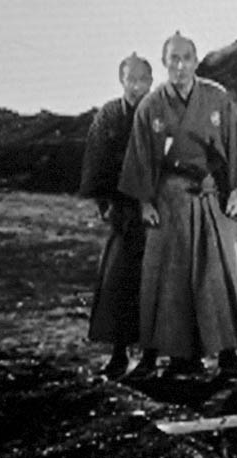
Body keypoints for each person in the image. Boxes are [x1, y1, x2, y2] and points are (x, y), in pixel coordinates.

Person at [118, 31, 237, 378]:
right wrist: (145, 203)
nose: (180, 67)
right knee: (166, 277)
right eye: (173, 59)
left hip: (210, 193)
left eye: (186, 59)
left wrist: (235, 192)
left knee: (218, 274)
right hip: (169, 198)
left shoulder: (217, 98)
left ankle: (228, 354)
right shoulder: (151, 106)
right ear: (164, 63)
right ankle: (175, 357)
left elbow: (235, 148)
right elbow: (140, 158)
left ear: (196, 62)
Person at [78, 52, 156, 378]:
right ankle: (119, 353)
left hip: (156, 210)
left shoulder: (159, 111)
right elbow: (97, 159)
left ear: (150, 82)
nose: (136, 86)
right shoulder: (109, 114)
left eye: (142, 80)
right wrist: (103, 202)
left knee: (155, 282)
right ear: (121, 80)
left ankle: (151, 355)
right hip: (123, 210)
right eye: (130, 79)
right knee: (119, 281)